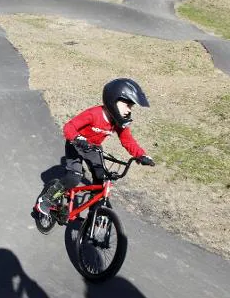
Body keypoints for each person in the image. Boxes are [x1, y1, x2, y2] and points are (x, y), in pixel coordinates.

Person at [37, 78, 155, 216]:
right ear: (113, 100)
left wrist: (141, 155)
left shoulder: (117, 122)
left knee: (101, 179)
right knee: (74, 177)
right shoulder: (94, 114)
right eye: (127, 105)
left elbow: (127, 141)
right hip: (76, 145)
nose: (129, 110)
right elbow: (69, 127)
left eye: (131, 107)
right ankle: (46, 200)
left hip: (93, 148)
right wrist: (77, 138)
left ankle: (95, 212)